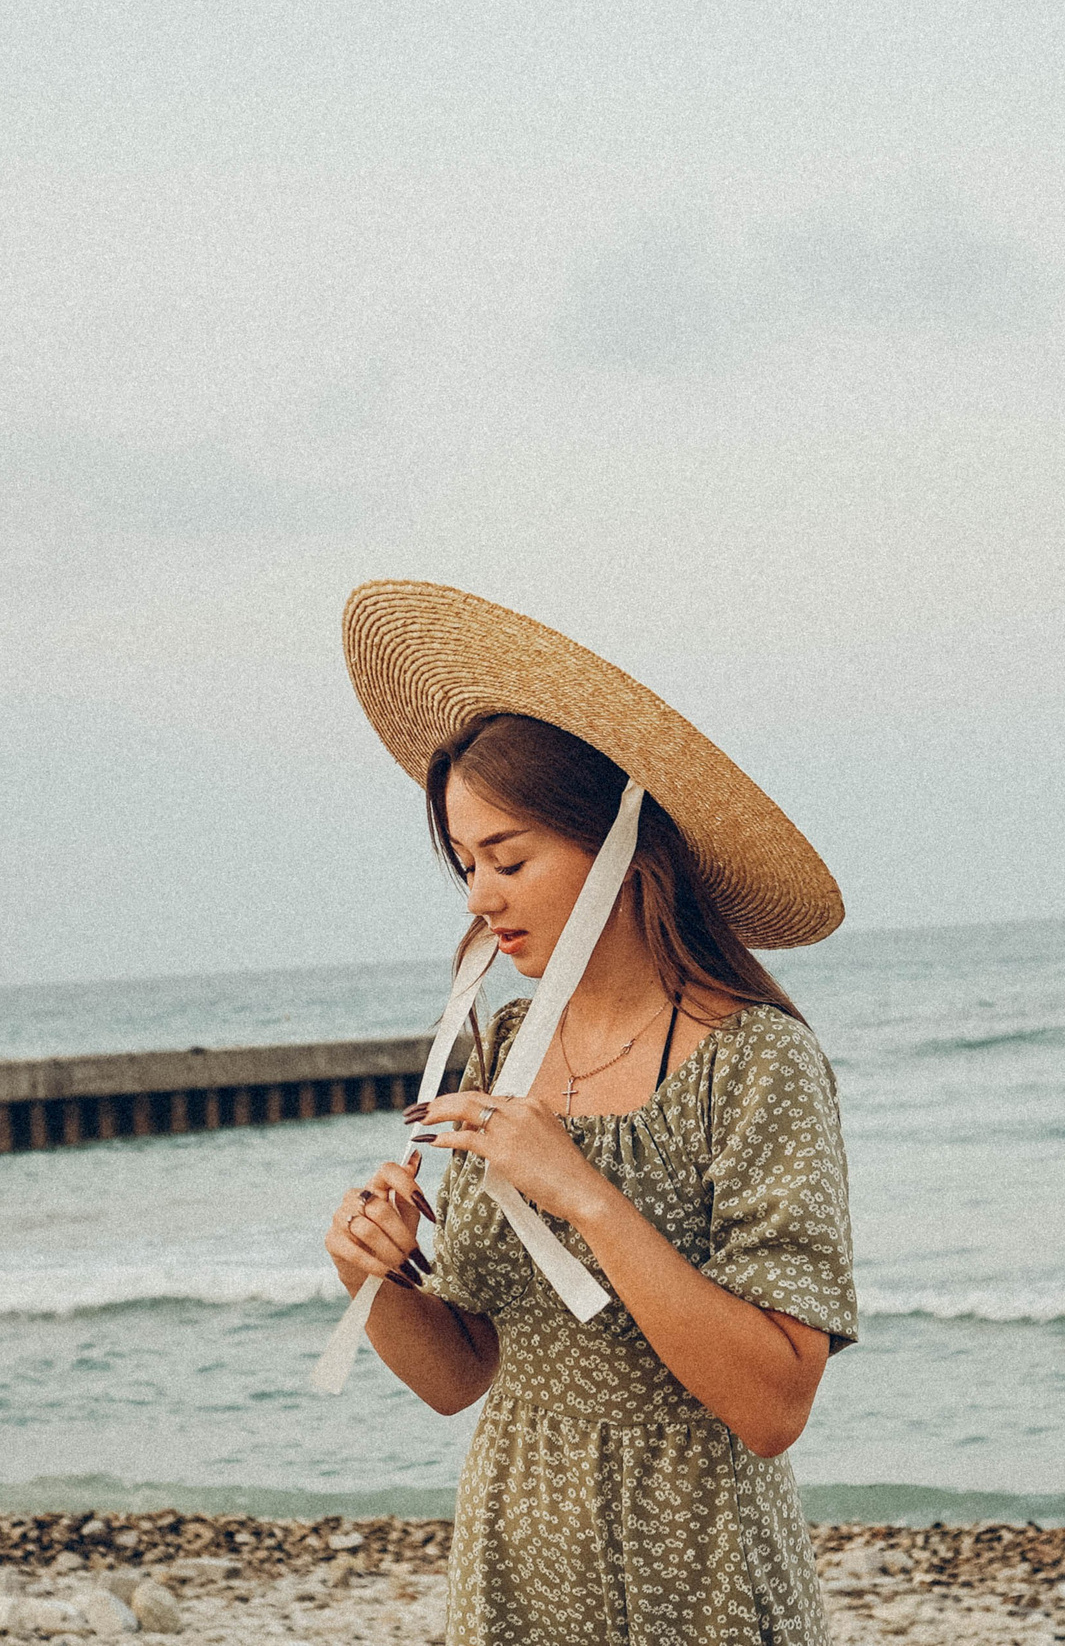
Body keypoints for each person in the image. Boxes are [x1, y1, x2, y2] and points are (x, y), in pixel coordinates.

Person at [322, 581, 859, 1646]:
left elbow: (772, 1409)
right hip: (518, 1555)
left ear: (621, 841)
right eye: (466, 865)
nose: (479, 895)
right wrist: (370, 1277)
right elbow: (465, 1374)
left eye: (509, 859)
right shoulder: (505, 1047)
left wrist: (586, 1196)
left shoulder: (756, 1060)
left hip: (699, 1566)